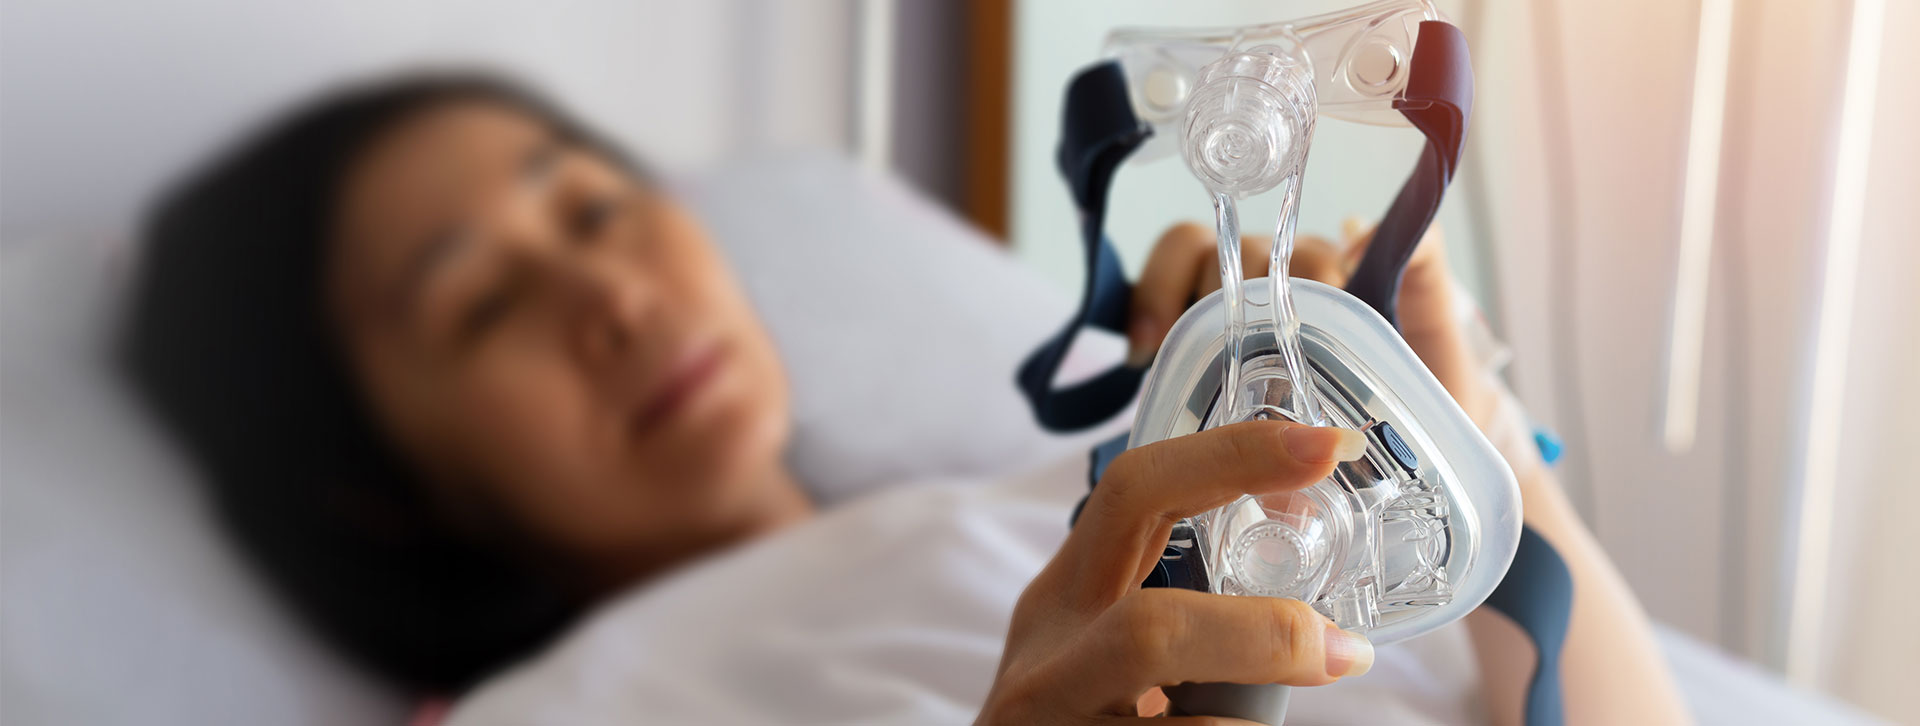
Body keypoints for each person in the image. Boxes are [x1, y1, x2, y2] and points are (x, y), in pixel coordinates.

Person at [120, 73, 1687, 724]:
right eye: (479, 304)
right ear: (371, 480)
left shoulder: (1061, 490)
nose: (606, 297)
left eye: (594, 208)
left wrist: (1446, 405)